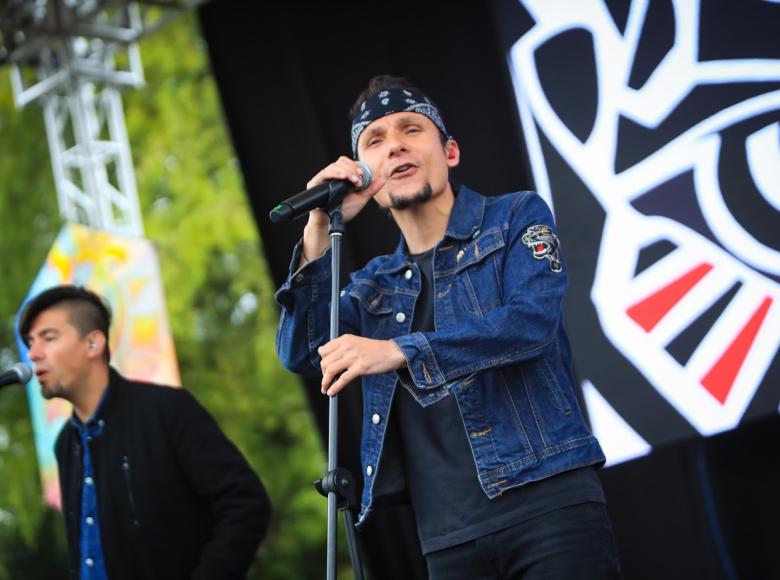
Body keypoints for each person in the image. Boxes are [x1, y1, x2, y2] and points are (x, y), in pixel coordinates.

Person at [275, 75, 622, 578]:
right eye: (374, 140)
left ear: (450, 151)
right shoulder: (373, 285)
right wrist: (316, 236)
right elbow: (302, 352)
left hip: (549, 508)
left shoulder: (516, 217)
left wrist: (402, 350)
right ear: (365, 179)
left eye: (410, 129)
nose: (394, 144)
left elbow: (530, 323)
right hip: (446, 536)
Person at [19, 285, 271, 580]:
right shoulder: (65, 443)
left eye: (48, 338)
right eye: (30, 342)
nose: (33, 354)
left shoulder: (167, 409)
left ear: (93, 344)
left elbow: (245, 503)